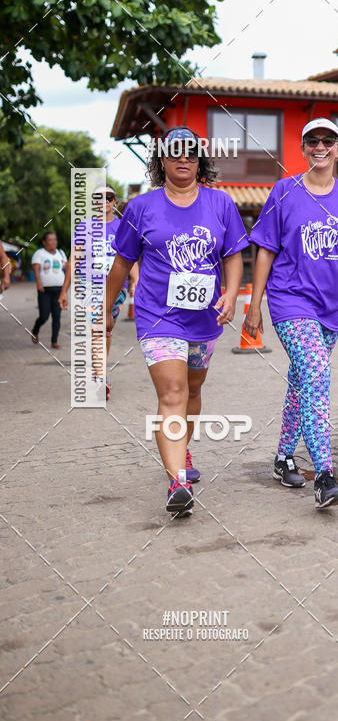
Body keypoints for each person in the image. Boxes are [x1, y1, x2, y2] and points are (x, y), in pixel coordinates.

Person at [243, 117, 338, 510]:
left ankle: (282, 458)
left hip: (330, 308)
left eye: (328, 140)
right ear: (303, 148)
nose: (320, 146)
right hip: (289, 301)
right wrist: (253, 305)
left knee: (300, 382)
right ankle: (324, 476)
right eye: (313, 141)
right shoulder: (283, 191)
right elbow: (265, 250)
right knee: (316, 374)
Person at [104, 126, 248, 517]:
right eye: (174, 152)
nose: (183, 158)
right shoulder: (140, 207)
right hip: (158, 317)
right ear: (161, 160)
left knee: (194, 389)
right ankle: (177, 482)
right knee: (172, 393)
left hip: (205, 319)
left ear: (199, 159)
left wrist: (231, 294)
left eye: (190, 152)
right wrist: (106, 308)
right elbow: (122, 263)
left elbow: (234, 255)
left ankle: (182, 446)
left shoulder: (221, 205)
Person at [59, 184, 139, 399]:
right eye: (98, 197)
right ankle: (100, 375)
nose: (103, 201)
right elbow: (73, 260)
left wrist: (135, 283)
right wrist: (64, 290)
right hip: (89, 284)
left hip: (116, 286)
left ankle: (99, 372)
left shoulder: (123, 227)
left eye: (108, 197)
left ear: (114, 201)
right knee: (98, 327)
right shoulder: (84, 227)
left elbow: (130, 259)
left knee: (105, 329)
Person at [31, 231, 67, 347]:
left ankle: (54, 341)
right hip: (44, 290)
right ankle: (35, 331)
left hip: (59, 290)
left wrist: (65, 289)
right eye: (50, 240)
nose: (53, 242)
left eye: (55, 239)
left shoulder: (61, 253)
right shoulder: (39, 253)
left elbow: (67, 269)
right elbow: (36, 270)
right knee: (44, 316)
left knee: (57, 316)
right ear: (44, 242)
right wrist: (39, 283)